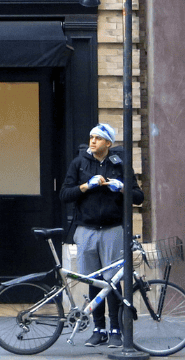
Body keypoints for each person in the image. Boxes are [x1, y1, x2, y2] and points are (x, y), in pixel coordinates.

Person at [59, 123, 144, 349]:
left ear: (108, 143)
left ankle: (115, 329)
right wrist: (86, 186)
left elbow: (139, 196)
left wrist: (122, 187)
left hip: (113, 231)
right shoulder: (79, 163)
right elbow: (65, 194)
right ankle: (98, 330)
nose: (92, 141)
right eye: (91, 137)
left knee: (113, 282)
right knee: (93, 280)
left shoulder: (120, 165)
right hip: (86, 230)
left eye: (98, 138)